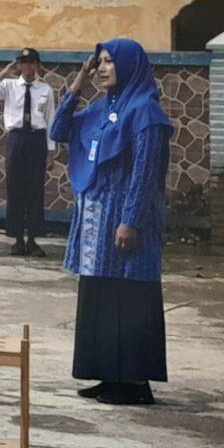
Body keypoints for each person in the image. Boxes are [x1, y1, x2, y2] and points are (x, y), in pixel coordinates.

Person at [53, 39, 173, 406]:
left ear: (129, 65)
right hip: (95, 227)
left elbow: (145, 173)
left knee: (129, 298)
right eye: (99, 62)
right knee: (102, 300)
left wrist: (131, 221)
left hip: (124, 225)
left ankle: (134, 383)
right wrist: (77, 86)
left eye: (109, 62)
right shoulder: (102, 108)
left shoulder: (145, 113)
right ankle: (109, 375)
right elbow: (59, 131)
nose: (101, 68)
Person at [0, 49, 58, 256]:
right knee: (15, 188)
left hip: (36, 139)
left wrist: (51, 151)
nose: (28, 67)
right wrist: (4, 72)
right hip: (16, 139)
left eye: (32, 62)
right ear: (18, 65)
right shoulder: (9, 86)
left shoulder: (45, 89)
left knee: (34, 189)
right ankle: (16, 238)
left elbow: (50, 120)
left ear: (38, 65)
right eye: (24, 62)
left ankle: (32, 239)